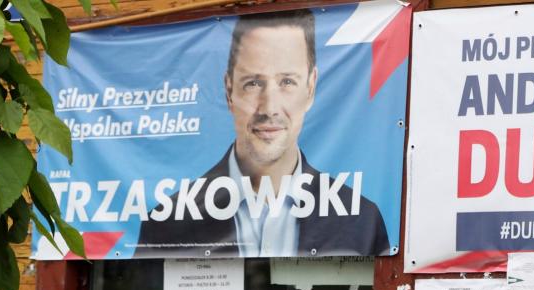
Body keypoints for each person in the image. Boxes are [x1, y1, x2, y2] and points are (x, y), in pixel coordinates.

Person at [136, 9, 390, 258]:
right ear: (229, 90)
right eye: (253, 83)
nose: (269, 108)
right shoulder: (166, 221)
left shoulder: (361, 220)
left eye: (287, 82)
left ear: (311, 87)